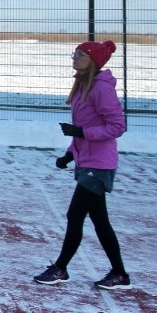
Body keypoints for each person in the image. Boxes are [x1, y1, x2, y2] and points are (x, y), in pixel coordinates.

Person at [34, 40, 130, 290]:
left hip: (99, 165)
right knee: (100, 220)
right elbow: (84, 129)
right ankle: (119, 274)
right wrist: (70, 154)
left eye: (80, 55)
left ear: (93, 60)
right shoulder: (83, 86)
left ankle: (61, 268)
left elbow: (117, 127)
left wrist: (80, 132)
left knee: (75, 214)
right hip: (87, 161)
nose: (74, 58)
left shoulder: (102, 89)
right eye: (74, 54)